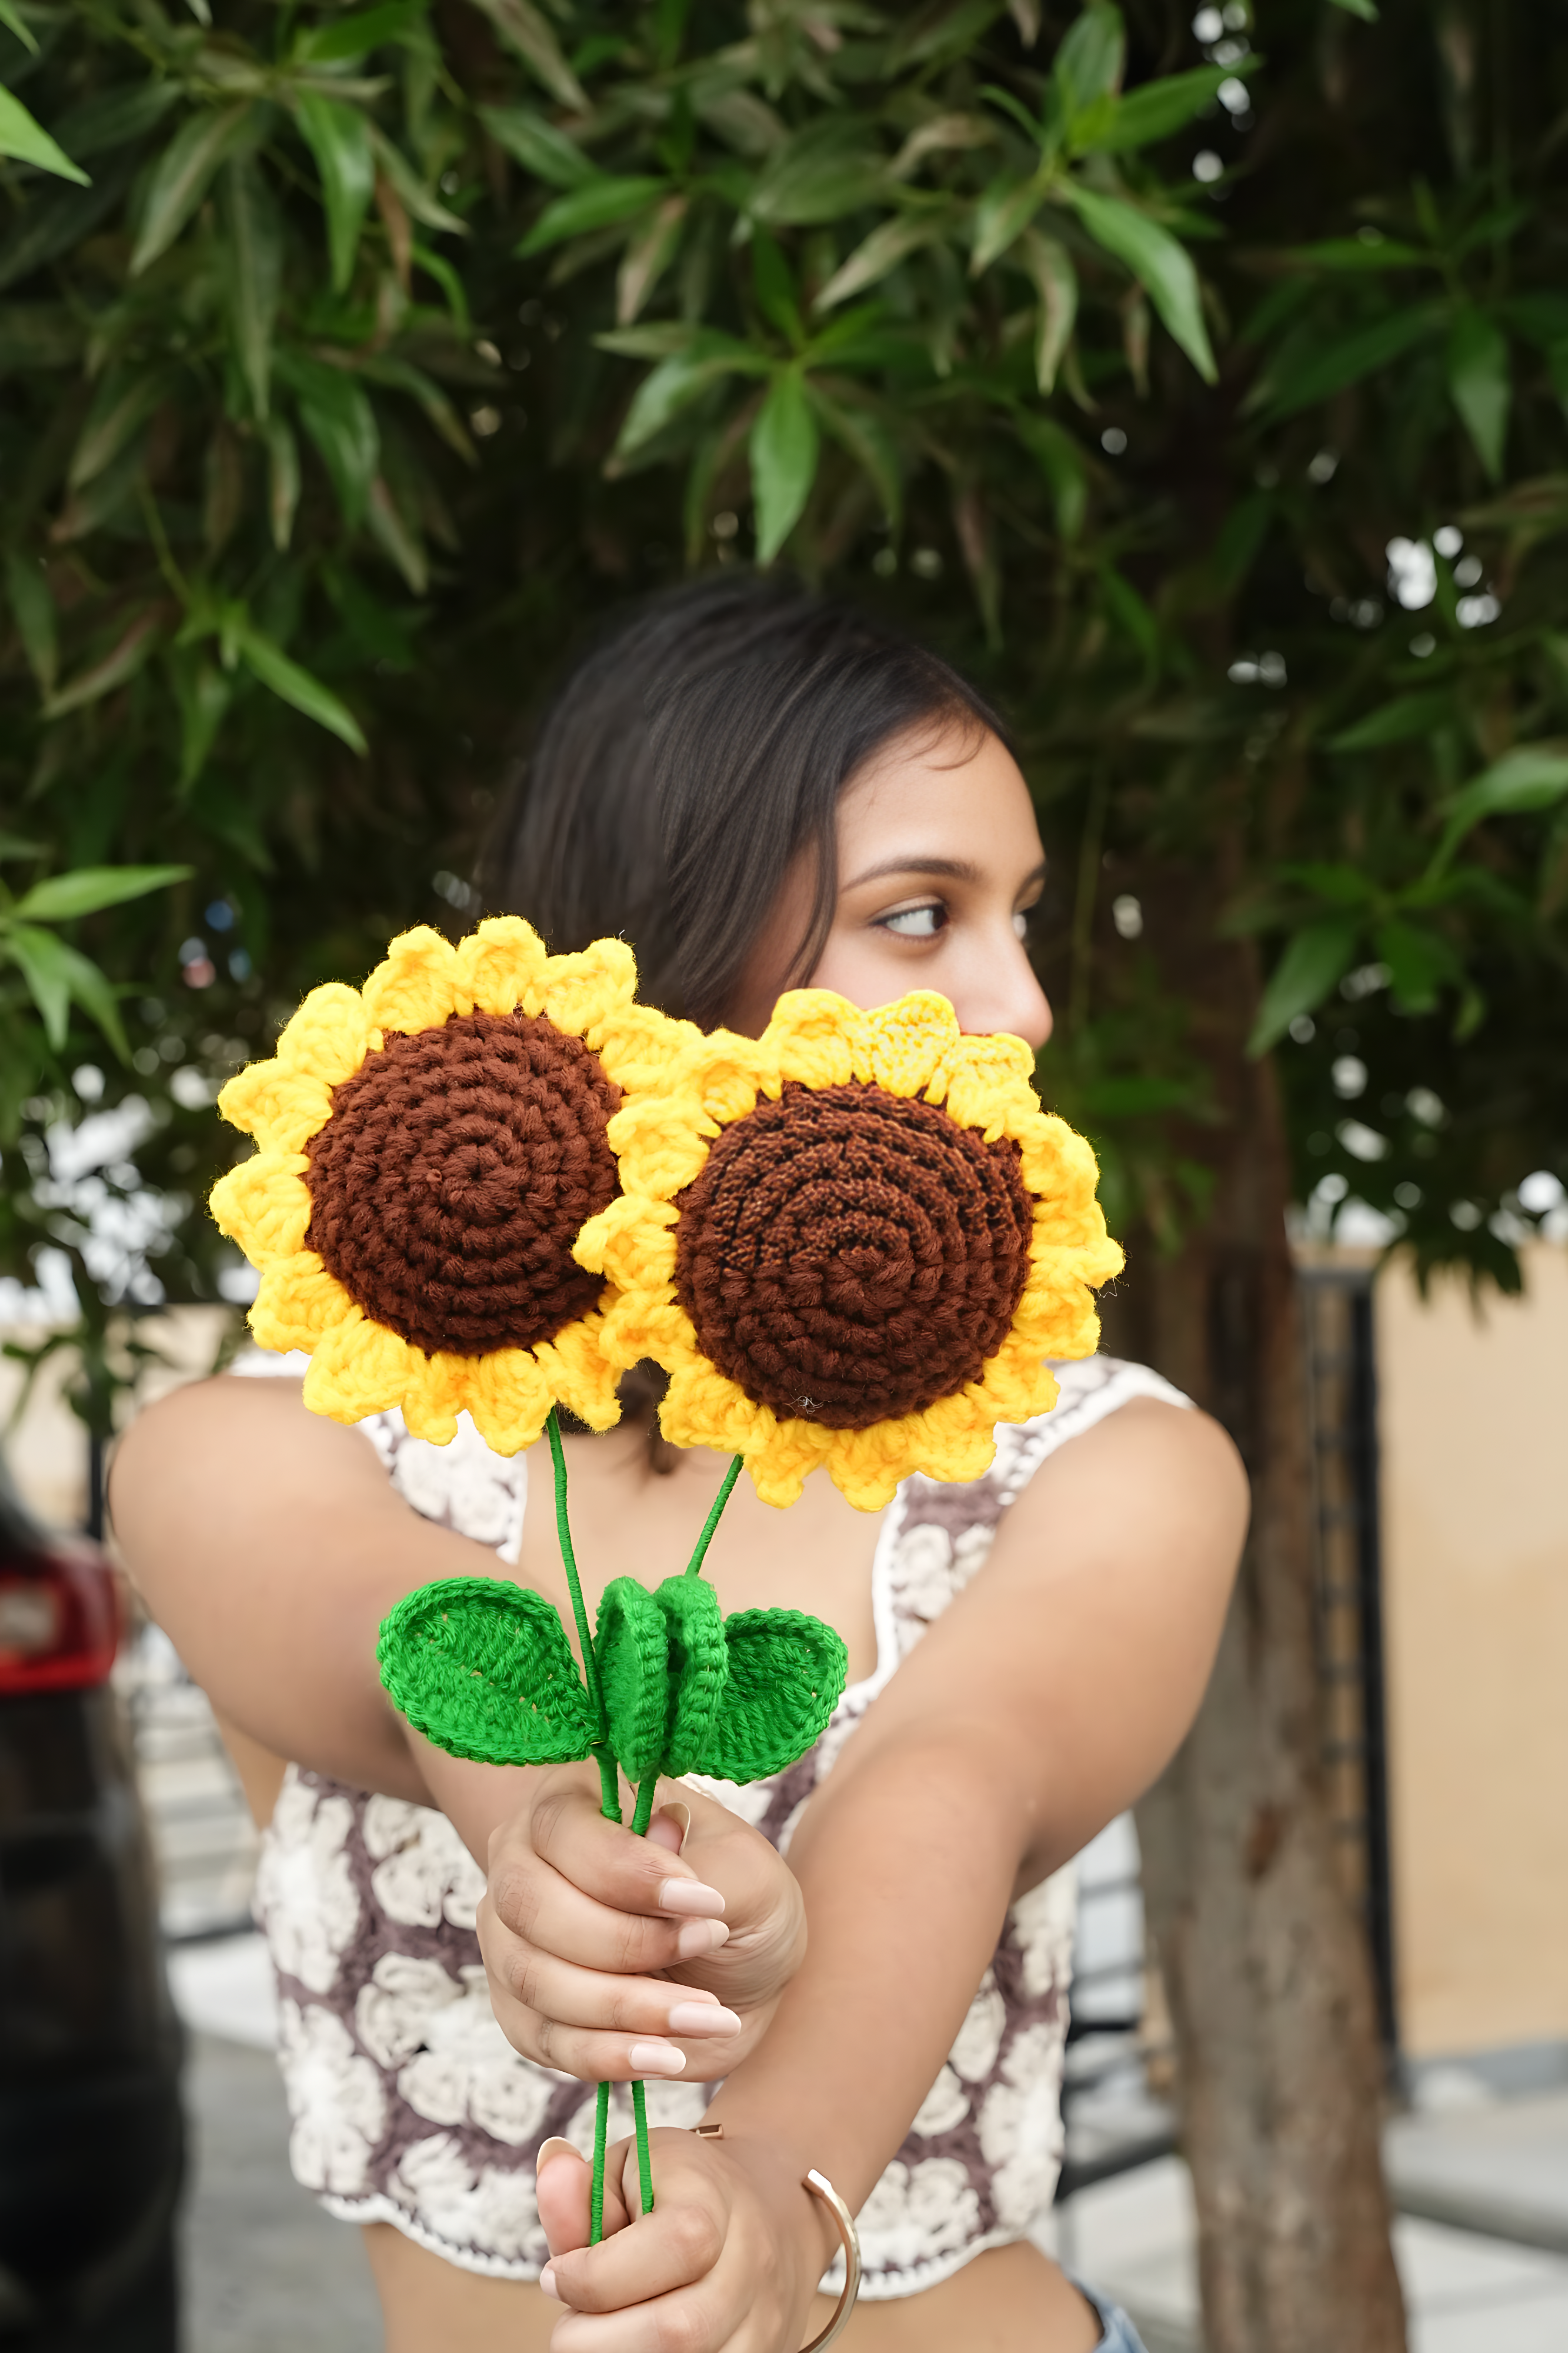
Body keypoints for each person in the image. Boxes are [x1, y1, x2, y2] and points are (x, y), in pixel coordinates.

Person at [111, 576, 1247, 2353]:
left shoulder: (1112, 1466)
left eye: (1023, 916)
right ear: (667, 944)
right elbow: (431, 1637)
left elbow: (951, 1785)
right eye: (921, 914)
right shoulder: (256, 1446)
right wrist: (566, 1856)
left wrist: (768, 2198)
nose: (1022, 1003)